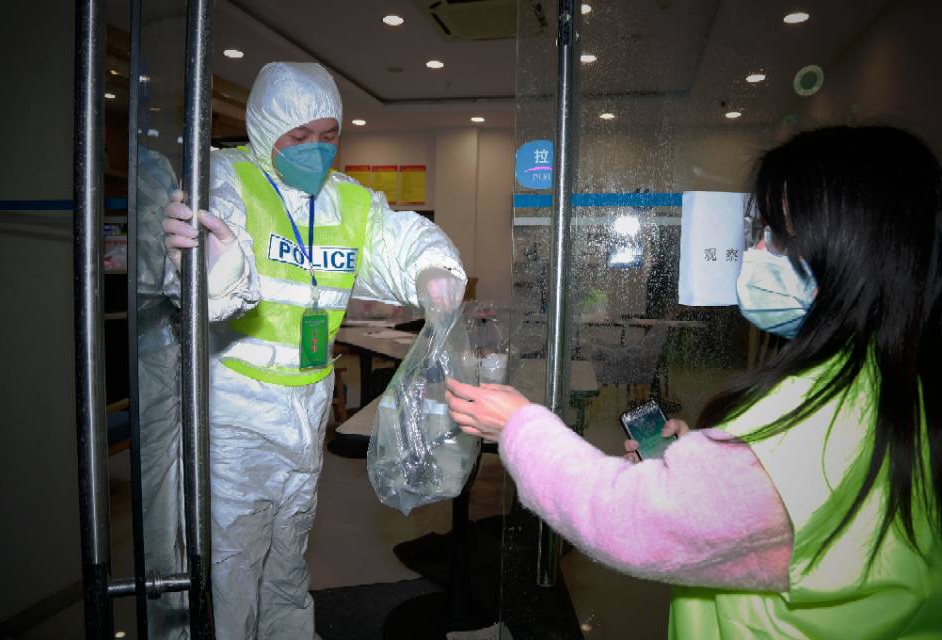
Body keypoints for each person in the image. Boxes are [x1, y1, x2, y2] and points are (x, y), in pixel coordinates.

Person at [446, 126, 942, 638]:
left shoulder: (808, 429)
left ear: (849, 254)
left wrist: (519, 425)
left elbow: (625, 520)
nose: (756, 252)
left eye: (778, 236)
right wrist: (704, 466)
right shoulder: (889, 384)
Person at [162, 62, 466, 639]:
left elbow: (399, 238)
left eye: (329, 135)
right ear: (264, 127)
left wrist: (434, 270)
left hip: (307, 405)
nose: (316, 149)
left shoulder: (346, 201)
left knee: (287, 556)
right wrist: (213, 272)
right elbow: (204, 272)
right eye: (299, 135)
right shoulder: (225, 178)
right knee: (228, 566)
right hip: (235, 410)